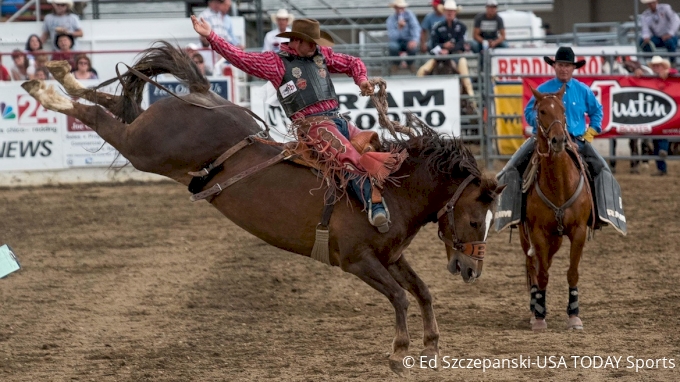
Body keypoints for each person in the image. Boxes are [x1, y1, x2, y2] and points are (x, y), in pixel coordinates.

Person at [191, 16, 404, 233]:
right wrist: (211, 36)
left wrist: (362, 80)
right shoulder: (276, 63)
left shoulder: (322, 55)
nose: (315, 46)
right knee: (348, 157)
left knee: (373, 145)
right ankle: (374, 205)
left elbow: (352, 63)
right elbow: (240, 57)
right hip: (313, 126)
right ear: (296, 41)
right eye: (310, 41)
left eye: (316, 42)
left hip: (338, 120)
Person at [497, 47, 612, 228]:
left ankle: (600, 214)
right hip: (545, 140)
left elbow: (597, 111)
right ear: (554, 66)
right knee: (512, 167)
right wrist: (541, 127)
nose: (563, 69)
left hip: (576, 141)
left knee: (602, 169)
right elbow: (528, 112)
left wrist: (591, 132)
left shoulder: (583, 90)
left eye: (567, 65)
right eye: (560, 65)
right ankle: (514, 213)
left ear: (573, 68)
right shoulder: (543, 90)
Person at [417, 0, 466, 75]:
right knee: (422, 71)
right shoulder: (438, 27)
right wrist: (443, 46)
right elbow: (433, 44)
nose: (450, 13)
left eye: (452, 11)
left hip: (456, 56)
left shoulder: (461, 27)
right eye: (447, 11)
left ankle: (467, 85)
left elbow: (461, 43)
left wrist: (449, 50)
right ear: (444, 12)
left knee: (463, 70)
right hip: (438, 57)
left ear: (455, 12)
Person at [647, 55, 675, 175]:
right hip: (657, 110)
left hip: (666, 109)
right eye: (655, 66)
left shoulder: (670, 75)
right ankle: (661, 167)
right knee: (656, 138)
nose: (656, 68)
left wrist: (669, 71)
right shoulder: (649, 77)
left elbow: (675, 72)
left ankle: (662, 157)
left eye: (658, 65)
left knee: (662, 133)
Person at [639, 0, 680, 64]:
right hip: (658, 37)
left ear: (656, 2)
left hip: (670, 36)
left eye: (653, 3)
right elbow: (645, 28)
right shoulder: (645, 15)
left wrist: (670, 33)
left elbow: (676, 20)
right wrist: (646, 36)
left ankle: (672, 62)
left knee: (670, 42)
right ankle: (652, 61)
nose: (652, 5)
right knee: (643, 42)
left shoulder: (665, 8)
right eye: (649, 3)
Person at [386, 0, 419, 73]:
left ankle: (410, 64)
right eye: (399, 7)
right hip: (396, 41)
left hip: (408, 40)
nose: (401, 9)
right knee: (392, 46)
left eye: (402, 7)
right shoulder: (390, 19)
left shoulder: (410, 15)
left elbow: (415, 28)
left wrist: (414, 40)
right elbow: (392, 37)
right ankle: (395, 64)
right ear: (395, 8)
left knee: (414, 47)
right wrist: (399, 29)